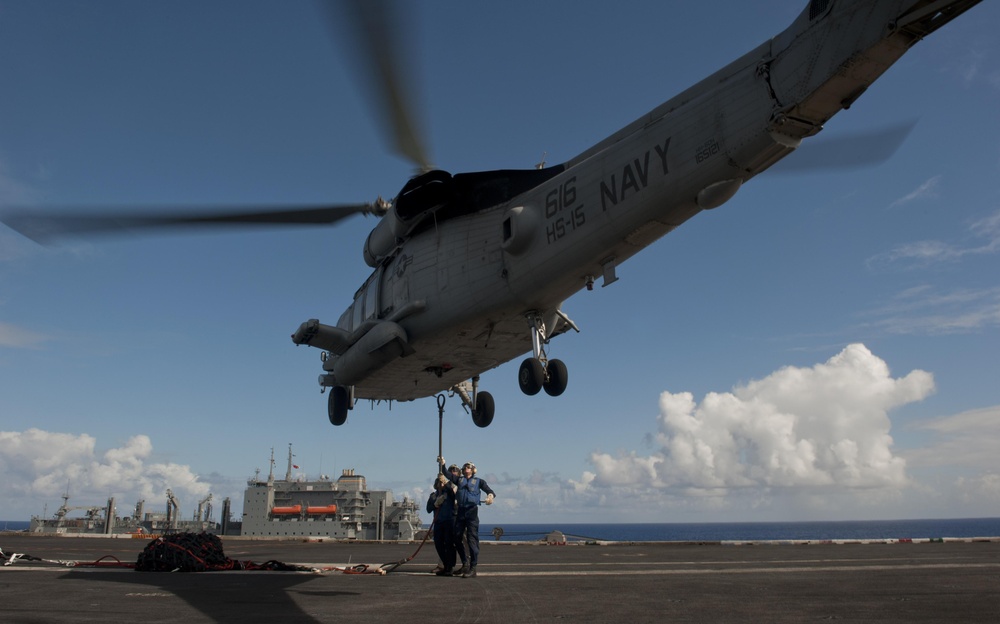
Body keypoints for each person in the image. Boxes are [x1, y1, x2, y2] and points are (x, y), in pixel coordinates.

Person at [438, 456, 495, 578]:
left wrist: (490, 496)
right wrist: (443, 464)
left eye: (468, 467)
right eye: (465, 467)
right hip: (461, 512)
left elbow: (489, 491)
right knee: (456, 537)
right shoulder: (459, 480)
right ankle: (465, 563)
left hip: (472, 511)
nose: (466, 468)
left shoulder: (479, 481)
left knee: (471, 539)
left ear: (473, 470)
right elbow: (448, 475)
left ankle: (473, 567)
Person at [425, 472, 457, 576]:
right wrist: (435, 504)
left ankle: (450, 567)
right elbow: (428, 509)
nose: (441, 484)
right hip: (438, 522)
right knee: (439, 545)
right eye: (440, 482)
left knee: (449, 544)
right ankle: (445, 565)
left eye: (442, 483)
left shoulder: (450, 494)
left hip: (449, 521)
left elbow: (454, 496)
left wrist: (447, 482)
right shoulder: (433, 496)